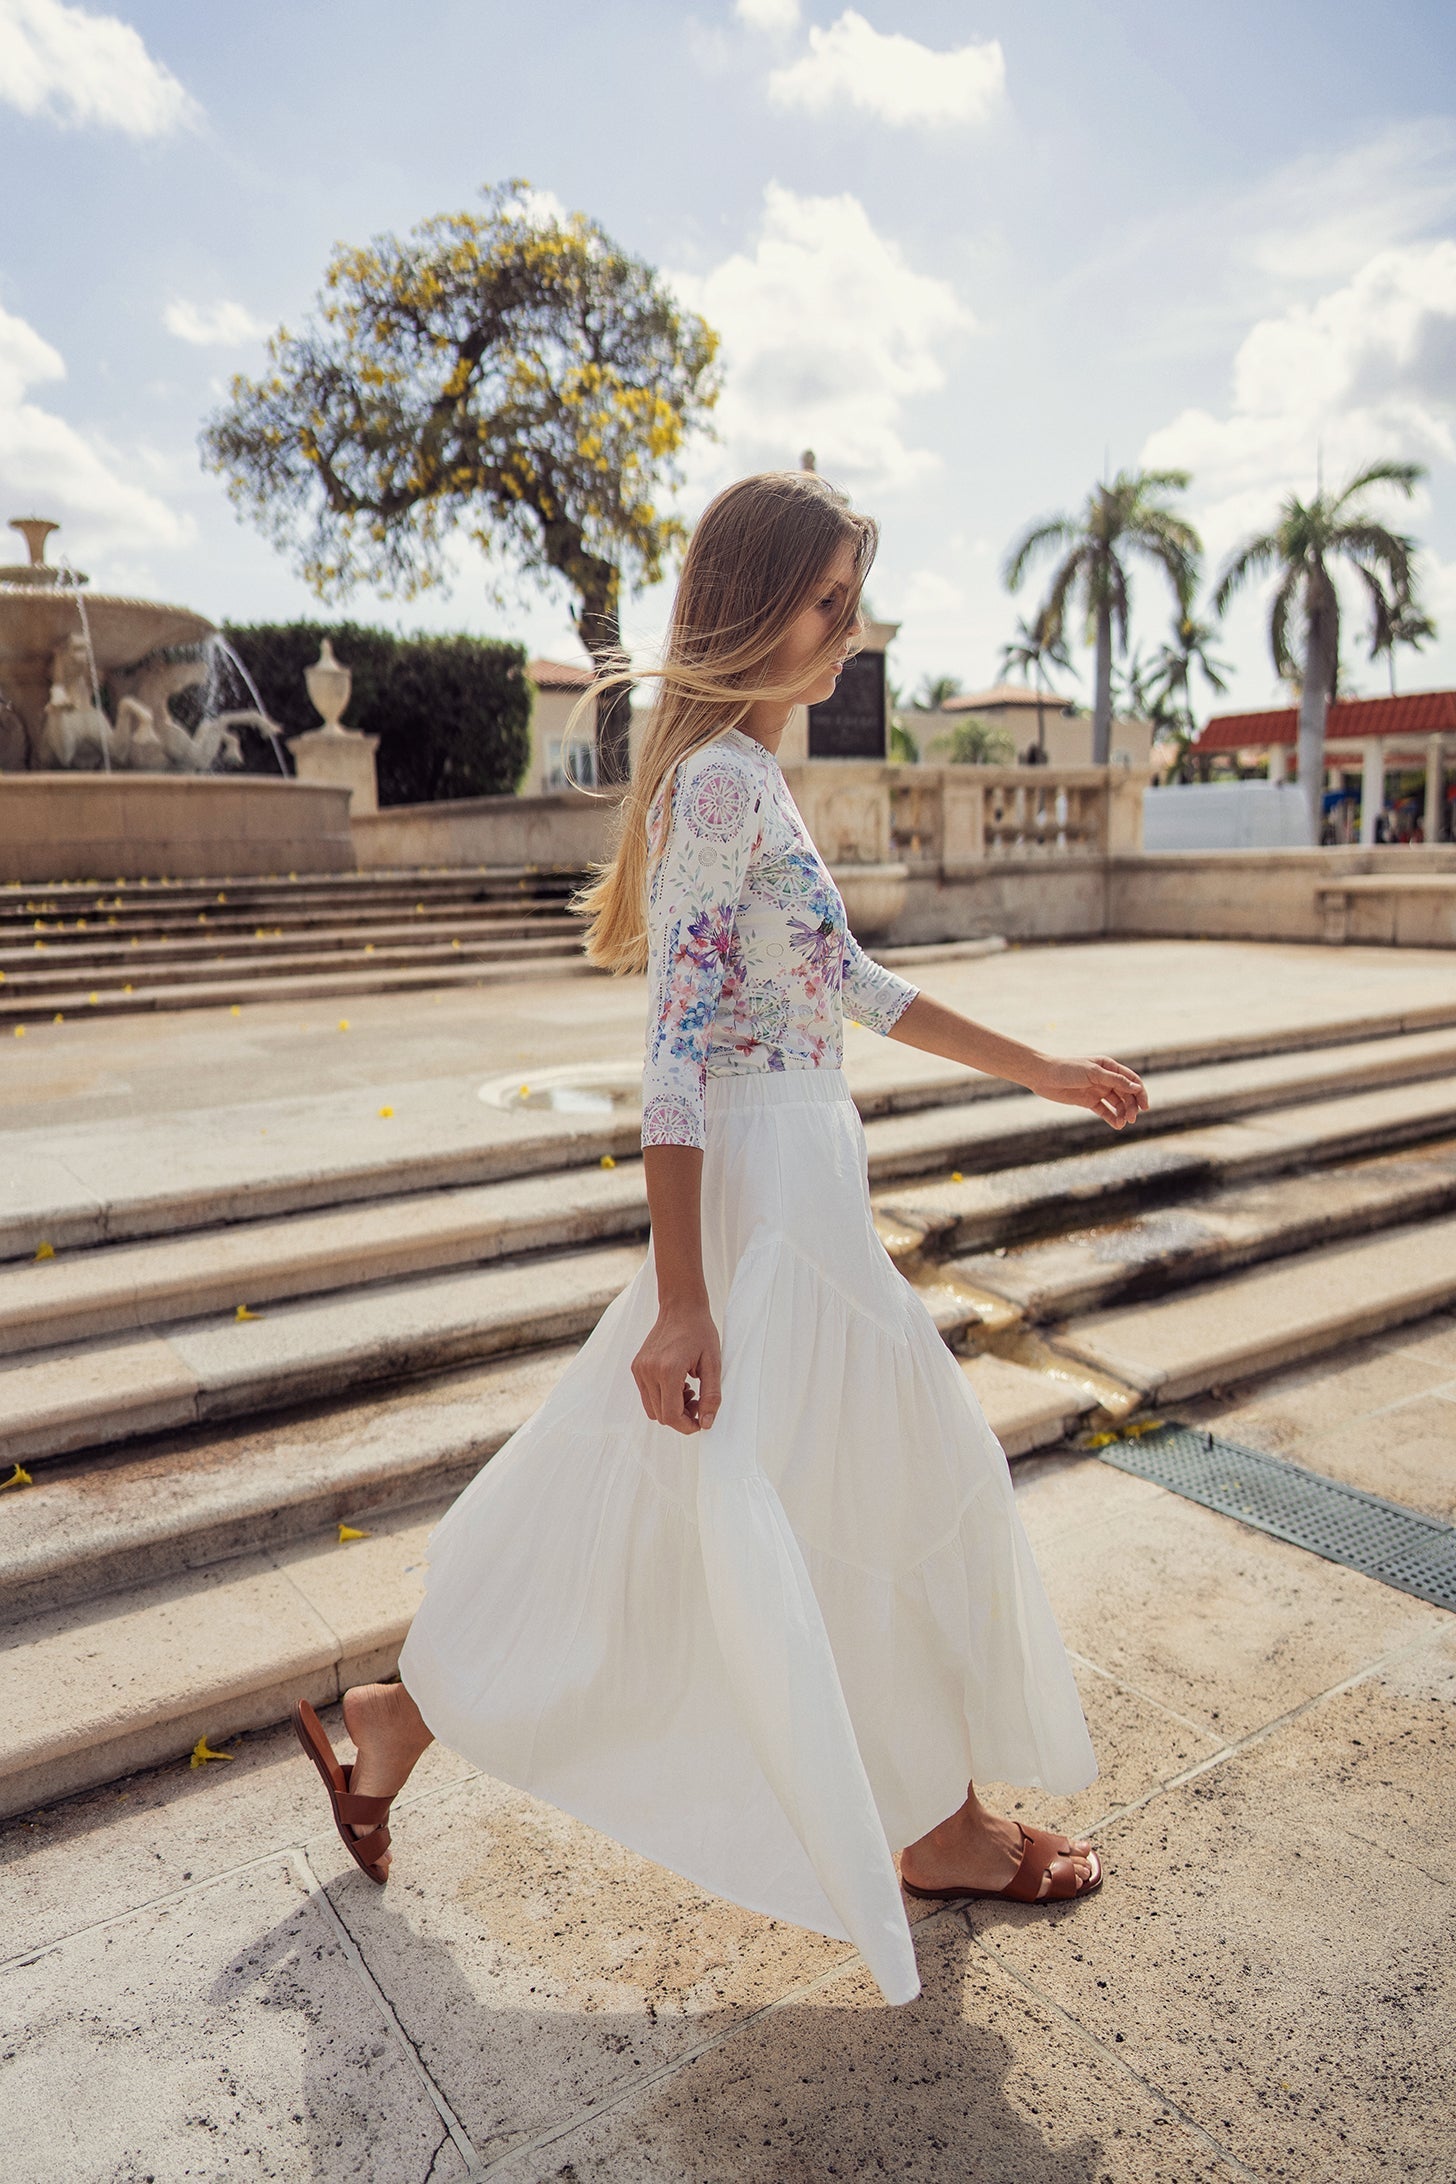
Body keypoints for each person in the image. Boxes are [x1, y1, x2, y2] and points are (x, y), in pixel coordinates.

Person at [292, 470, 1149, 2006]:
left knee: (646, 1506)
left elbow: (858, 988)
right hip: (762, 1210)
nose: (850, 631)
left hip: (795, 1186)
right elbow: (677, 1053)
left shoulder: (745, 774)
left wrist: (1051, 1069)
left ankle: (393, 1722)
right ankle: (938, 1828)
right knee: (889, 1489)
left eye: (852, 602)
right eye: (828, 602)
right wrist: (686, 1298)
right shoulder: (722, 787)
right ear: (753, 604)